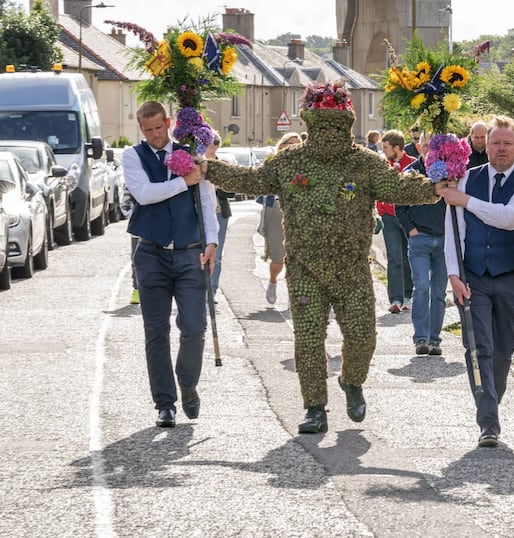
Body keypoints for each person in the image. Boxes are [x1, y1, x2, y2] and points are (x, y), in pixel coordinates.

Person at [206, 82, 446, 434]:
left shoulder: (366, 163)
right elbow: (253, 180)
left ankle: (352, 382)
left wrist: (434, 187)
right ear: (309, 125)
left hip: (351, 266)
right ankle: (315, 407)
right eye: (322, 126)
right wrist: (208, 168)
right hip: (304, 266)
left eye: (336, 126)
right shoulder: (289, 162)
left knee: (363, 335)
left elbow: (397, 188)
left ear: (347, 124)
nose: (329, 134)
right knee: (307, 338)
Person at [443, 115, 514, 448]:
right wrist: (454, 274)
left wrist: (466, 201)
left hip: (511, 275)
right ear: (486, 146)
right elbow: (454, 229)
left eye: (507, 143)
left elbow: (510, 218)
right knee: (478, 347)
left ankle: (491, 403)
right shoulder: (467, 178)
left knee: (503, 349)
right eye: (495, 143)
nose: (501, 149)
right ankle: (488, 422)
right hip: (474, 278)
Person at [122, 100, 219, 428]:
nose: (154, 136)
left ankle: (188, 383)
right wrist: (183, 182)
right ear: (141, 129)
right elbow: (144, 194)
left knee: (194, 328)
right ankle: (165, 403)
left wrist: (212, 242)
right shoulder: (132, 155)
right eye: (147, 131)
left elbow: (206, 199)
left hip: (191, 252)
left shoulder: (191, 152)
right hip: (151, 254)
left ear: (168, 122)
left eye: (158, 129)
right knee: (156, 331)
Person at [396, 132, 447, 356]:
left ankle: (435, 340)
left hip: (444, 240)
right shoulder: (411, 173)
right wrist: (411, 231)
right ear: (419, 146)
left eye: (433, 146)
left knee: (438, 291)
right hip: (420, 239)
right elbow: (400, 206)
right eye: (425, 145)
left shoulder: (448, 172)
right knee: (421, 287)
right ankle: (421, 339)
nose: (428, 150)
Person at [258, 132, 299, 304]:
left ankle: (293, 293)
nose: (295, 147)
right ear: (282, 145)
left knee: (295, 257)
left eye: (298, 144)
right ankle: (273, 281)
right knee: (278, 257)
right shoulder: (272, 164)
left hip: (297, 212)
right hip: (275, 211)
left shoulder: (305, 165)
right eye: (291, 143)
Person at [378, 129, 415, 313]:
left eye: (385, 147)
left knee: (409, 258)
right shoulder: (383, 165)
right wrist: (382, 211)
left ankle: (408, 295)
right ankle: (395, 299)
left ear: (397, 148)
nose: (383, 150)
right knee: (394, 258)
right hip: (389, 218)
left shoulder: (413, 165)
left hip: (408, 218)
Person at [208, 134, 233, 299]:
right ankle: (199, 289)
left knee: (217, 255)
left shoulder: (223, 165)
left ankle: (212, 291)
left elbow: (232, 191)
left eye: (216, 142)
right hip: (199, 215)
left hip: (219, 214)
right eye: (211, 142)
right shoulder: (195, 163)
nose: (213, 145)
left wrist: (218, 187)